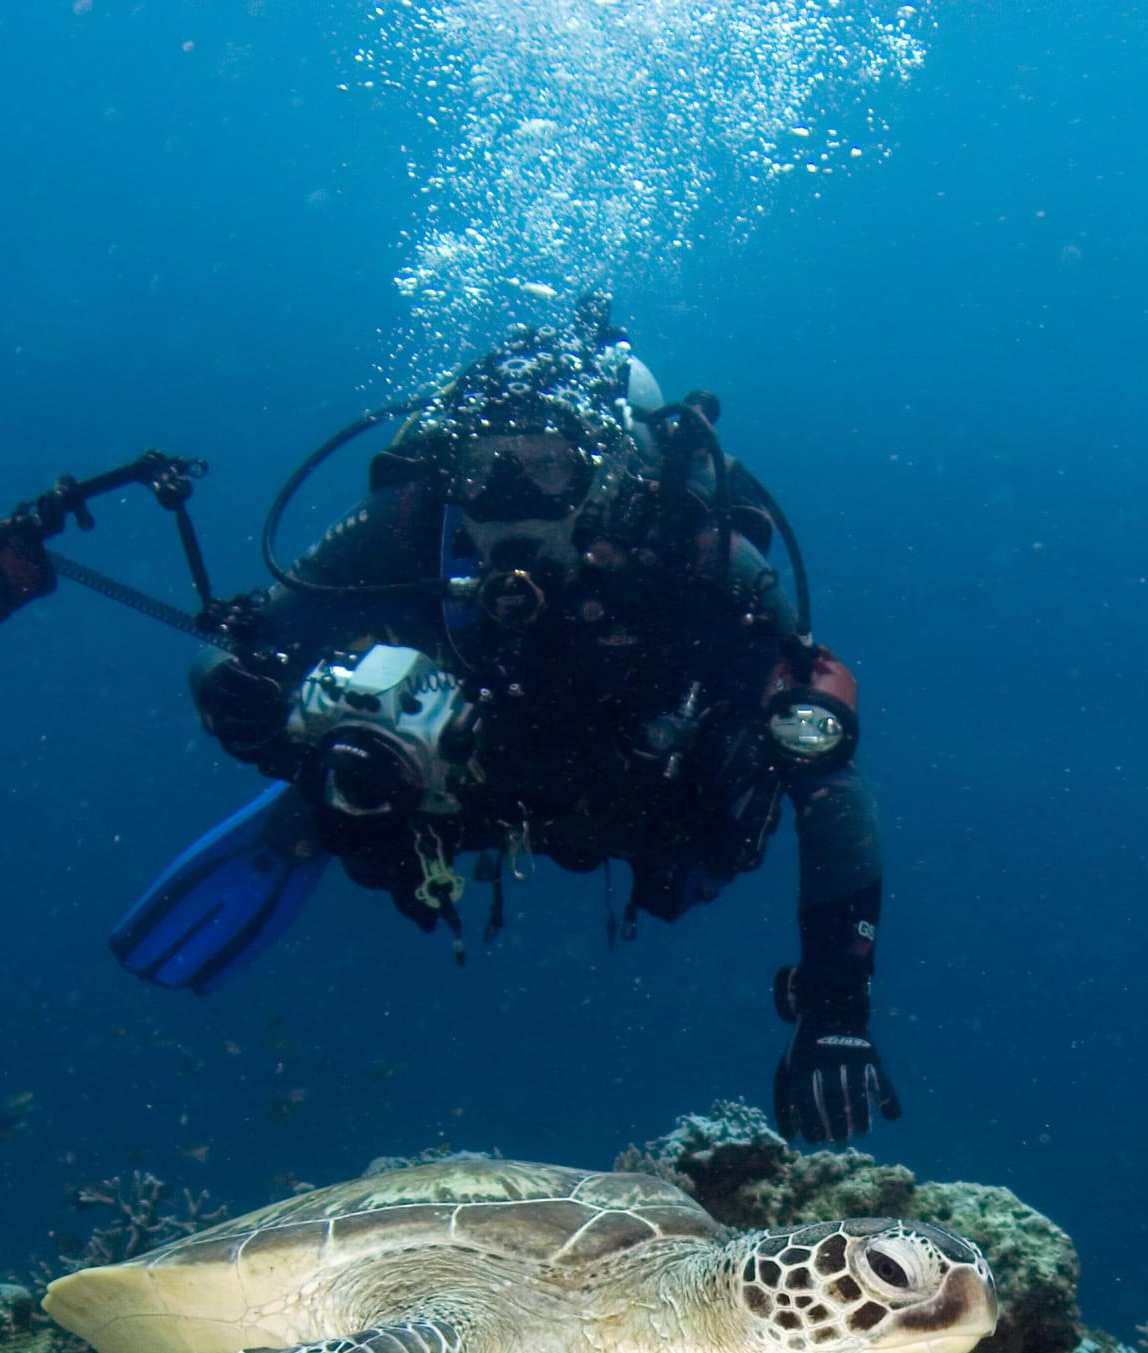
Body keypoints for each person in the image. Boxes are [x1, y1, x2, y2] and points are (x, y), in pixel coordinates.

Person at [108, 306, 902, 1144]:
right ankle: (323, 807)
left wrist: (835, 1007)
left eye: (548, 469)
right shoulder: (409, 524)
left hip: (640, 798)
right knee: (355, 800)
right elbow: (243, 639)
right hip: (458, 785)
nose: (512, 501)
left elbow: (826, 772)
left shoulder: (692, 553)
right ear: (451, 475)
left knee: (712, 833)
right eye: (485, 472)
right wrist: (236, 695)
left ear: (603, 474)